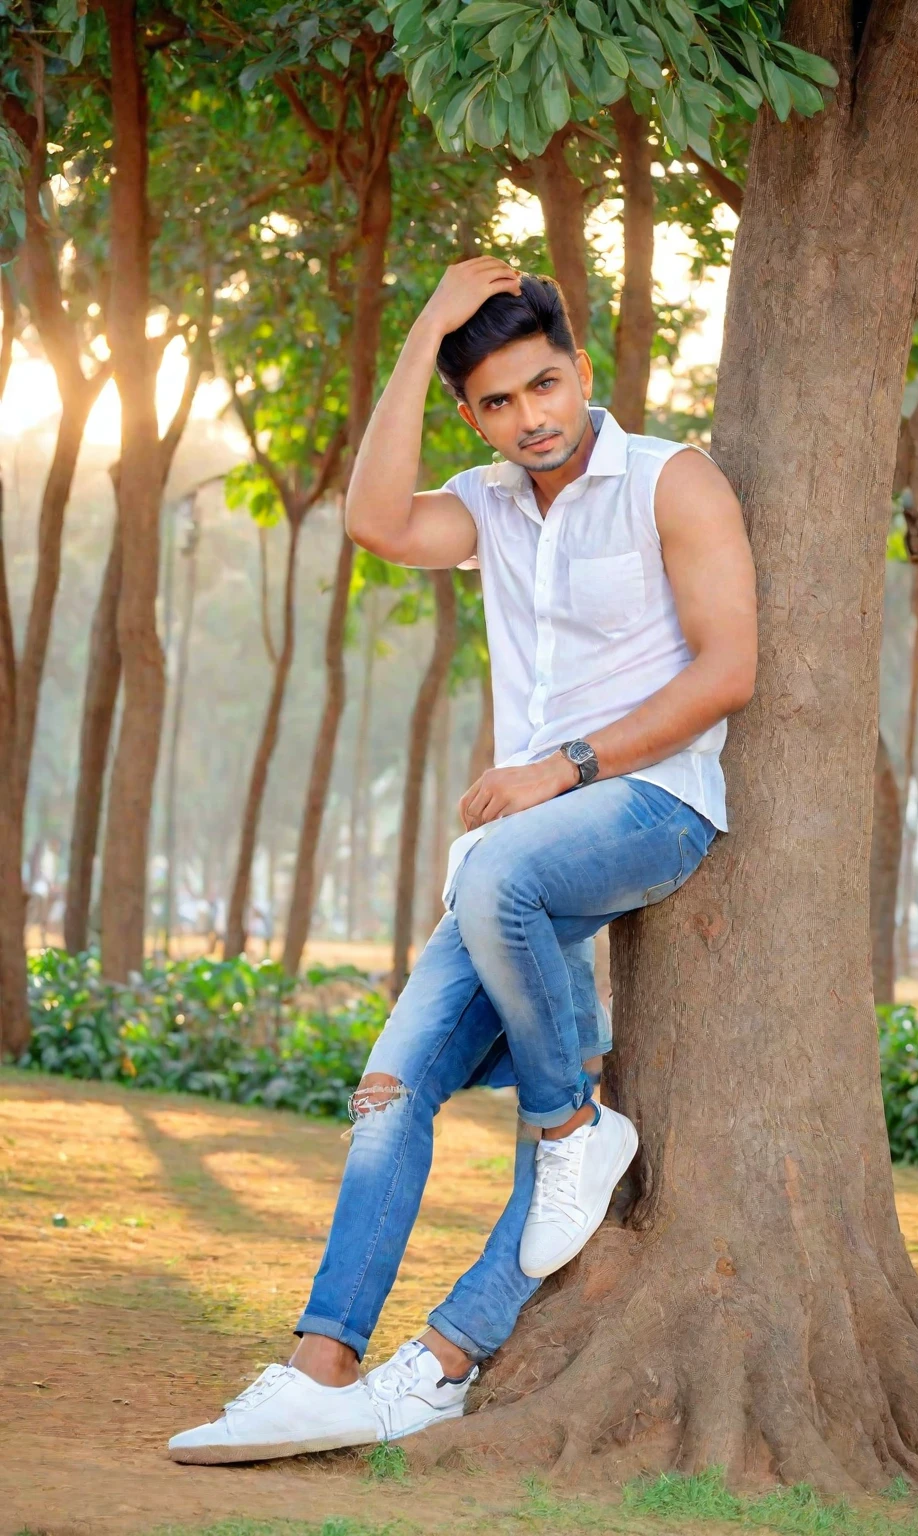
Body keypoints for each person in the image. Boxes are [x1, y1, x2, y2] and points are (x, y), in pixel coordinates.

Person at [169, 258, 757, 1464]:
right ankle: (333, 1370)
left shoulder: (670, 481)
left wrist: (564, 766)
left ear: (581, 365)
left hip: (648, 805)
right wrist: (423, 323)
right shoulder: (487, 504)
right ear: (472, 415)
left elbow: (725, 671)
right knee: (390, 1087)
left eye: (544, 383)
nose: (531, 417)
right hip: (515, 855)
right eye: (497, 401)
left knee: (492, 872)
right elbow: (377, 522)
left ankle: (565, 1128)